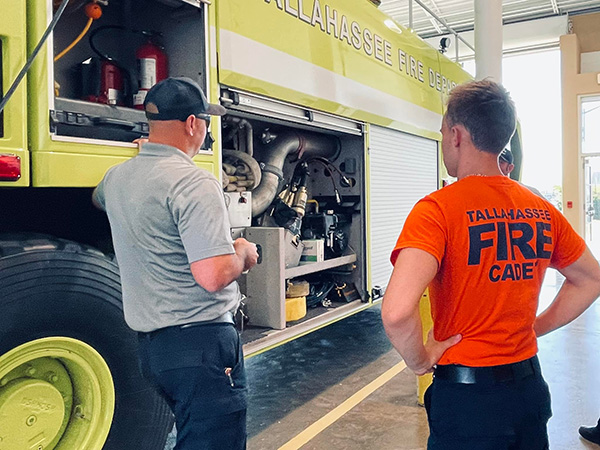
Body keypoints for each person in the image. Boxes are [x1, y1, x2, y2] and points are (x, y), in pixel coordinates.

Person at [381, 79, 600, 449]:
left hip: (468, 404)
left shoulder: (437, 210)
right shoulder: (541, 209)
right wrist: (535, 327)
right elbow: (591, 280)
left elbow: (397, 312)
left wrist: (420, 359)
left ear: (456, 135)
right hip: (529, 392)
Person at [92, 77, 258, 450]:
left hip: (154, 352)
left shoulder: (117, 178)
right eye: (206, 122)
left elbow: (99, 200)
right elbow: (213, 275)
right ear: (192, 124)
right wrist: (243, 254)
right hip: (202, 345)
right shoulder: (193, 182)